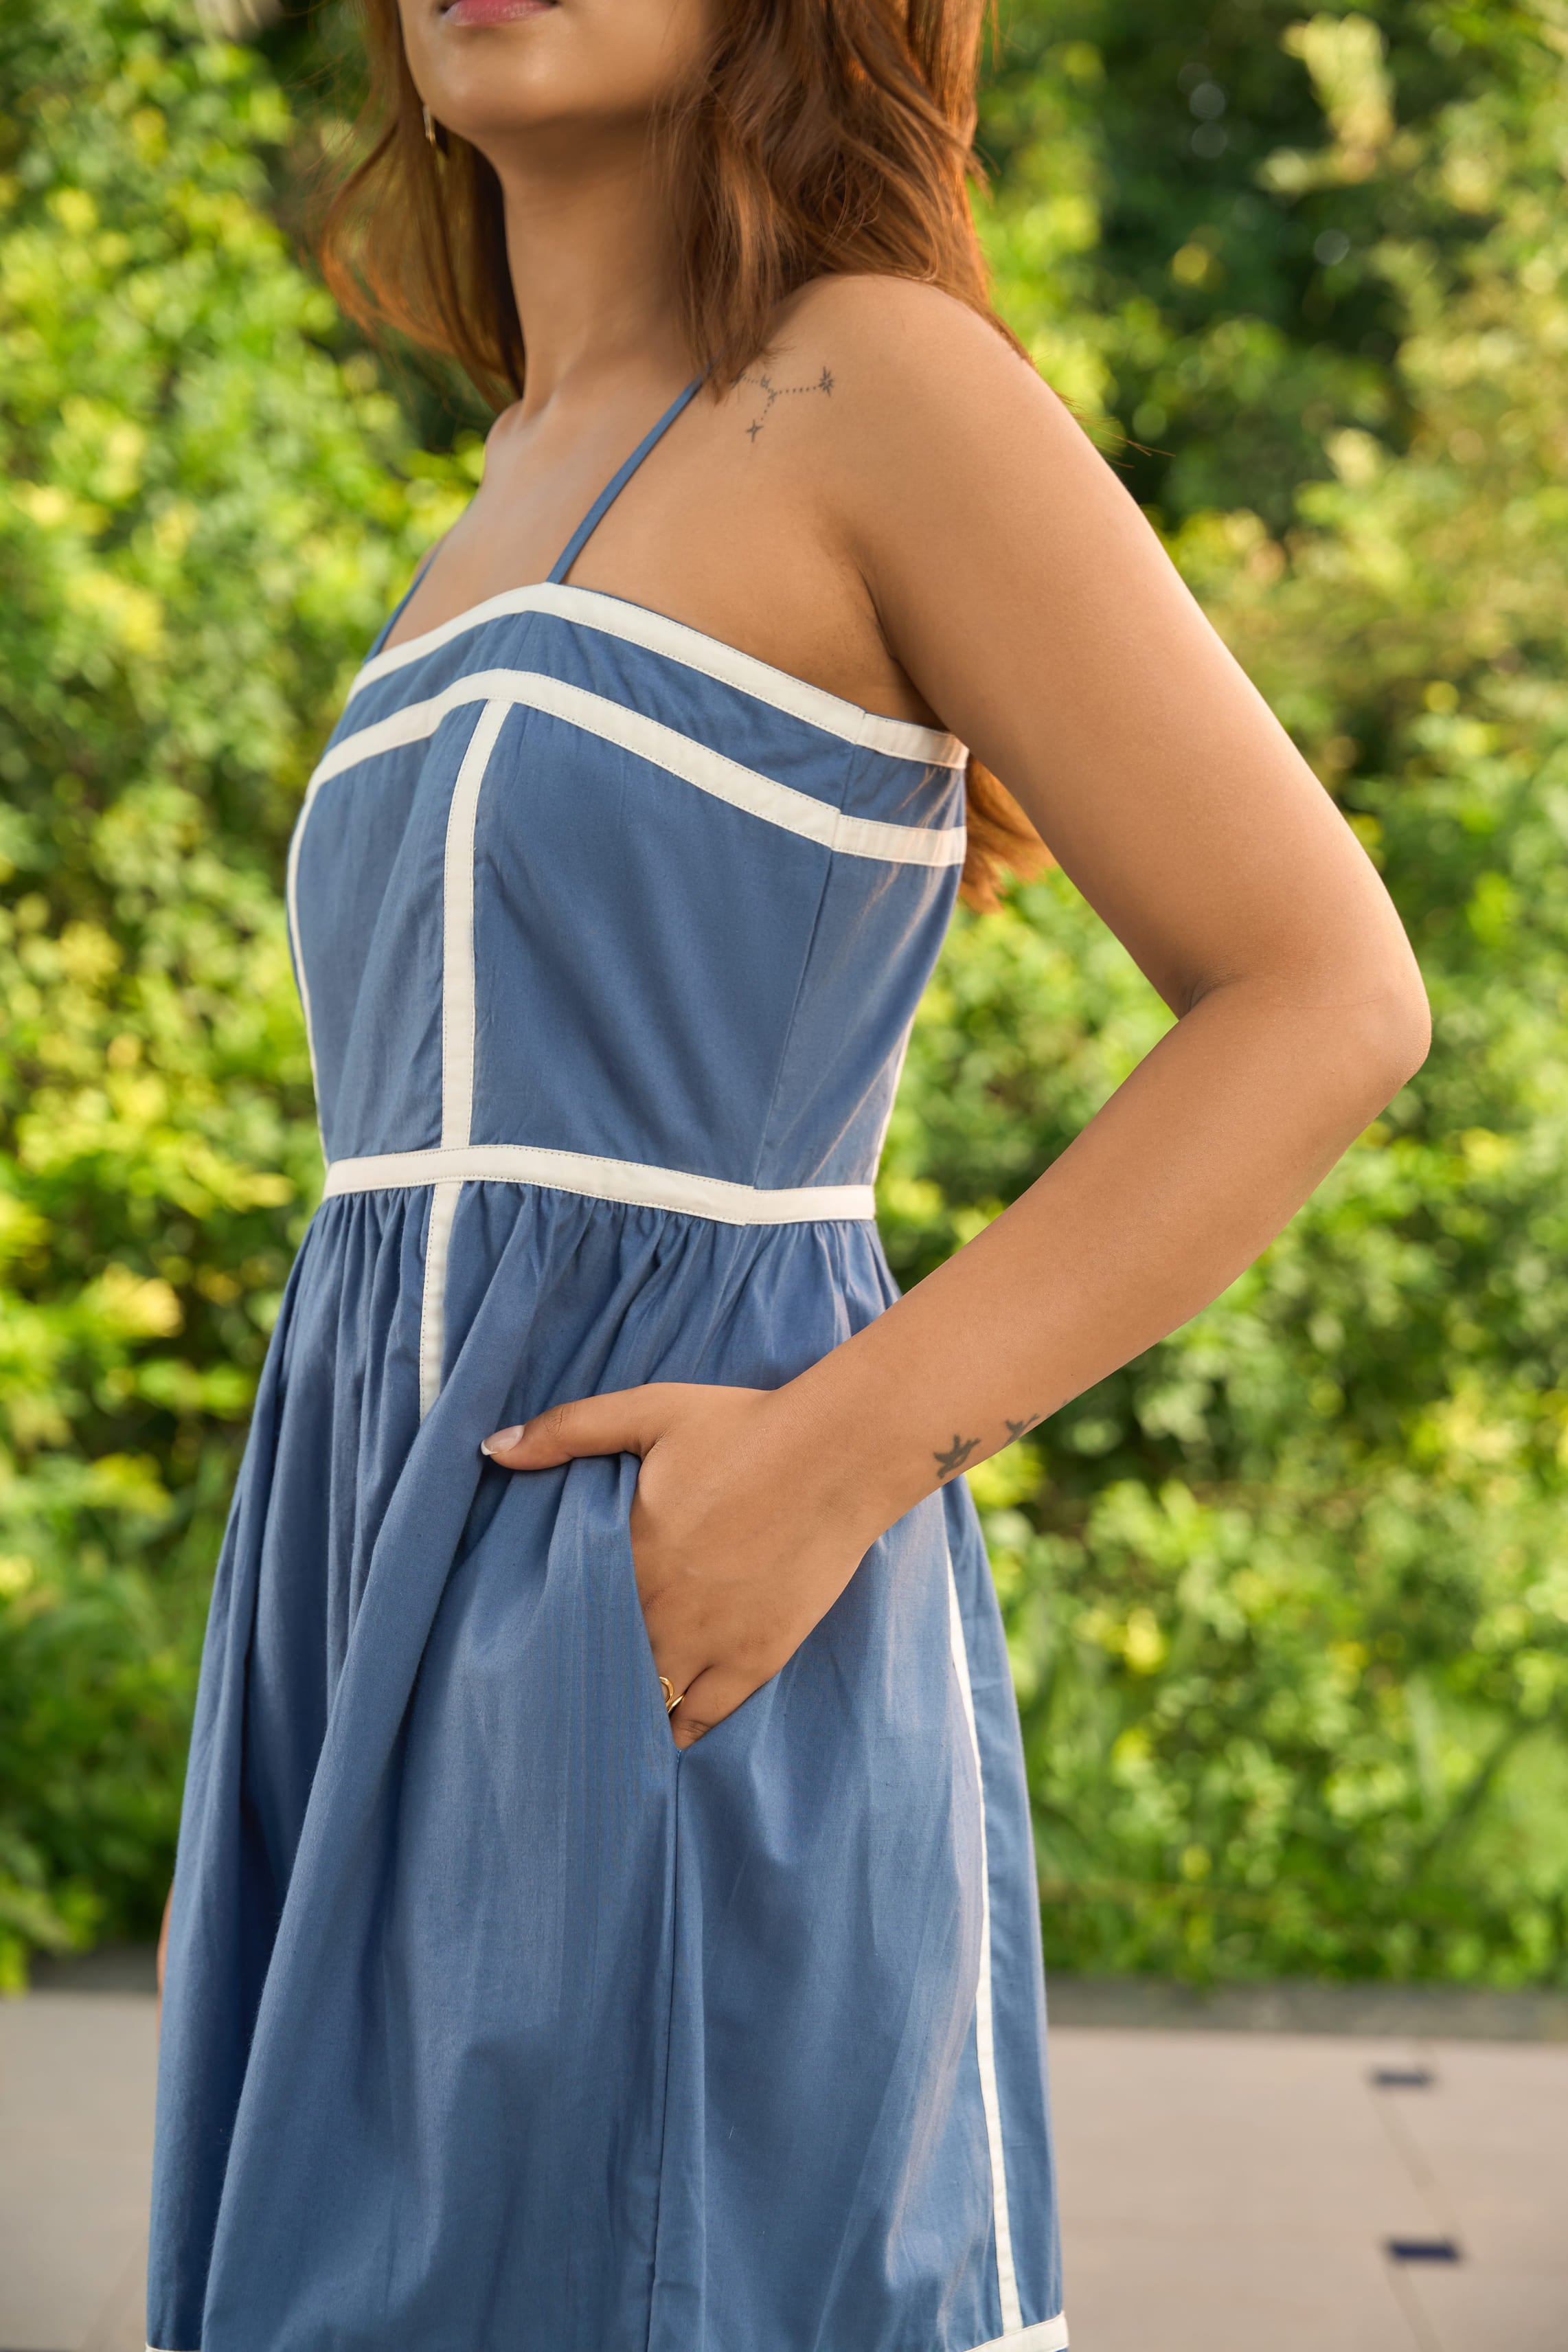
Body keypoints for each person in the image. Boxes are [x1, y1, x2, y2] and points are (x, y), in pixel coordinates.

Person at [146, 1, 1430, 2347]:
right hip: (366, 1590)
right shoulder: (508, 471)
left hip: (679, 1606)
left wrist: (813, 1474)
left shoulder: (877, 384)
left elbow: (1320, 992)